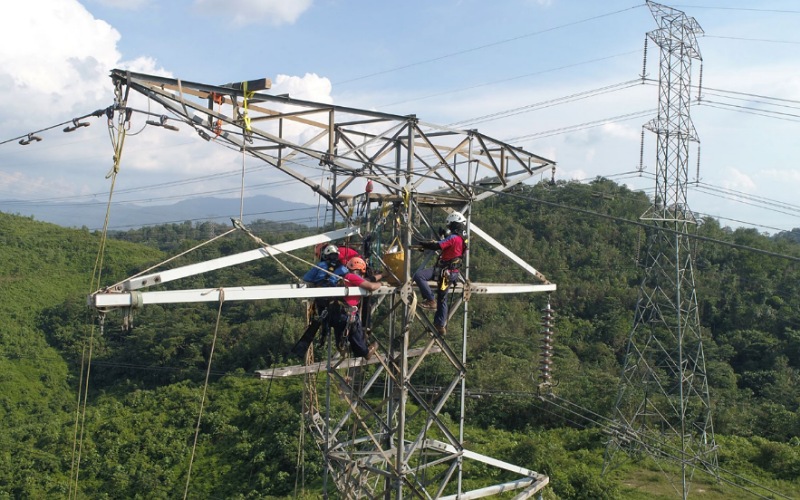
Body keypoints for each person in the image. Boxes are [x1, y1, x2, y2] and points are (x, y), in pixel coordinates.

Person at [413, 212, 468, 335]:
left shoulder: (453, 237)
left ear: (454, 224)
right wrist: (443, 236)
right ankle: (440, 324)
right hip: (451, 272)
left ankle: (430, 299)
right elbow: (450, 246)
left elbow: (438, 246)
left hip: (444, 272)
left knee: (419, 276)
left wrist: (424, 244)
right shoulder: (463, 238)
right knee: (442, 298)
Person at [290, 244, 349, 358]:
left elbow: (307, 278)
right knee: (339, 322)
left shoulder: (320, 265)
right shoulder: (343, 268)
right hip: (334, 300)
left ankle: (323, 337)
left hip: (321, 298)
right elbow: (348, 279)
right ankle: (340, 344)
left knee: (323, 319)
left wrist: (318, 280)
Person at [331, 256, 381, 360]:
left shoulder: (344, 277)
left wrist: (381, 275)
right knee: (356, 335)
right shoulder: (352, 277)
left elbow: (366, 280)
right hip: (347, 315)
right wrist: (380, 284)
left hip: (337, 313)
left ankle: (343, 346)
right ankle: (365, 352)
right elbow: (371, 286)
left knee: (343, 334)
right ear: (360, 270)